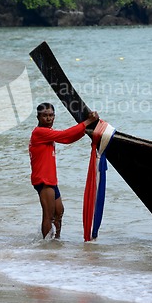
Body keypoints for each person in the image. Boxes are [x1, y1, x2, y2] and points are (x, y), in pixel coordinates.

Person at [29, 102, 99, 239]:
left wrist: (86, 130)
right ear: (38, 117)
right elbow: (66, 135)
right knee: (48, 215)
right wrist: (88, 121)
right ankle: (46, 246)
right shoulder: (39, 132)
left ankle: (56, 242)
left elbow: (68, 138)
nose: (48, 118)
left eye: (51, 115)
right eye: (45, 116)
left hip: (51, 180)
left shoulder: (48, 133)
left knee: (59, 212)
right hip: (43, 180)